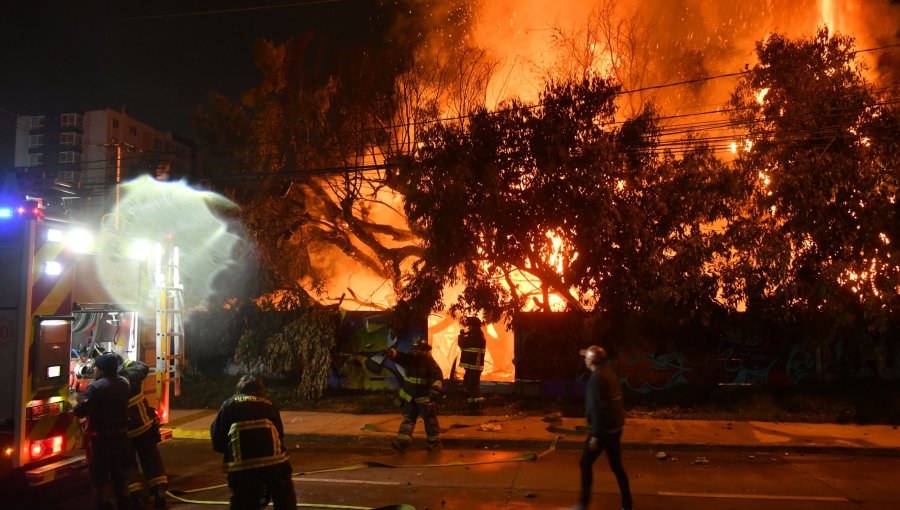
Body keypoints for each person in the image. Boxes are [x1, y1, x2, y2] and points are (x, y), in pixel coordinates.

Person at [210, 374, 296, 510]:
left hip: (241, 465)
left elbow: (217, 437)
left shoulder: (229, 405)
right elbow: (279, 434)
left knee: (242, 499)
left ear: (239, 388)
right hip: (274, 462)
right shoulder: (269, 404)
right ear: (260, 389)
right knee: (284, 494)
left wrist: (229, 450)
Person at [573, 345, 633, 510]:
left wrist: (595, 436)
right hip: (615, 428)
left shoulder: (595, 379)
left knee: (585, 463)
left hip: (603, 431)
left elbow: (597, 408)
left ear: (591, 361)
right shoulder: (609, 373)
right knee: (617, 467)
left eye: (586, 357)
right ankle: (627, 505)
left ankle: (582, 505)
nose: (584, 359)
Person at [73, 352, 134, 510]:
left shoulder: (96, 387)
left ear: (101, 370)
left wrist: (73, 399)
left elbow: (80, 411)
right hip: (120, 438)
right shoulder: (124, 383)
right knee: (119, 474)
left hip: (100, 441)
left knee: (99, 477)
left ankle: (102, 505)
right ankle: (124, 503)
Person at [119, 358, 168, 508]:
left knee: (129, 463)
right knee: (151, 458)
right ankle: (159, 491)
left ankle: (136, 495)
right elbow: (143, 367)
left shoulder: (109, 383)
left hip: (125, 431)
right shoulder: (133, 376)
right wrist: (128, 362)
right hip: (144, 426)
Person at [383, 338, 444, 451]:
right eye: (414, 349)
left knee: (430, 421)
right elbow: (400, 357)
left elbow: (438, 377)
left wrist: (435, 390)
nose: (415, 352)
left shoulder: (429, 362)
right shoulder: (410, 358)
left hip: (424, 398)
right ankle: (402, 442)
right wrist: (392, 353)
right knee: (408, 419)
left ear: (425, 350)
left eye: (418, 350)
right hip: (409, 396)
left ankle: (434, 444)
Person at [457, 316, 486, 414]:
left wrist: (461, 336)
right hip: (472, 366)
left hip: (473, 366)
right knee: (469, 385)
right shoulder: (476, 335)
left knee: (472, 385)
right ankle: (472, 407)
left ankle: (476, 408)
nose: (468, 327)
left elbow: (463, 344)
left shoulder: (475, 336)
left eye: (470, 325)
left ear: (474, 326)